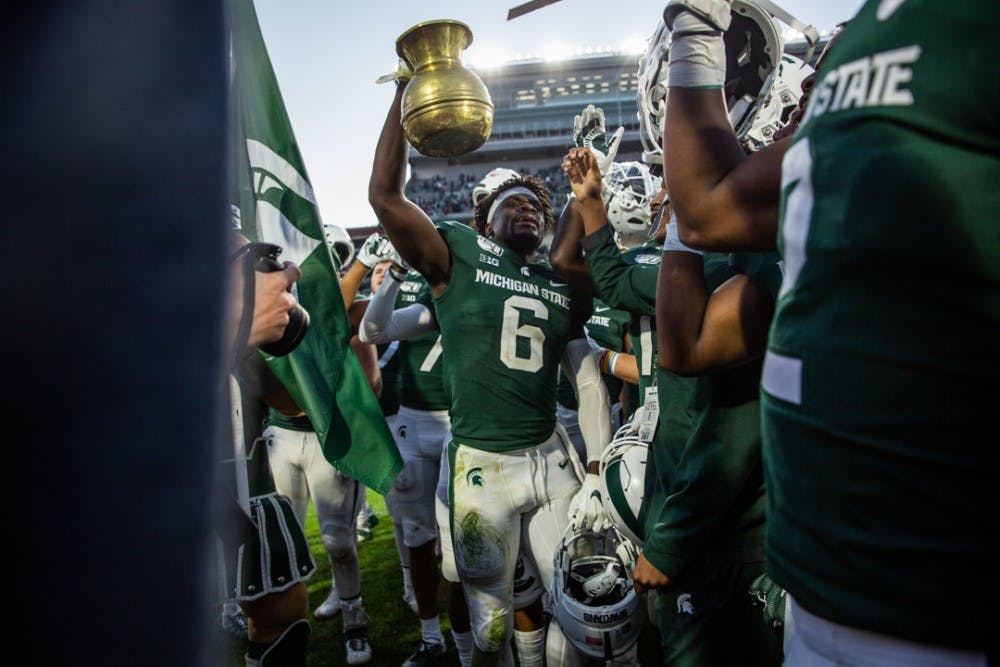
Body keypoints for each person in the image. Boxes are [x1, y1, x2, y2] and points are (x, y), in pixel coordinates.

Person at [660, 0, 998, 663]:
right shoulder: (872, 35)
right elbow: (704, 206)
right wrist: (695, 27)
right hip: (815, 586)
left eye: (817, 82)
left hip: (947, 607)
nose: (799, 100)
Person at [369, 78, 613, 667]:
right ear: (484, 221)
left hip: (552, 458)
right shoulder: (459, 260)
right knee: (493, 625)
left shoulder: (557, 283)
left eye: (535, 204)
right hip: (483, 467)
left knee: (584, 603)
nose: (528, 207)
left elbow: (585, 379)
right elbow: (384, 196)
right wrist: (404, 96)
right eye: (514, 203)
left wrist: (600, 467)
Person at [223, 231, 317, 667]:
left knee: (282, 616)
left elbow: (295, 404)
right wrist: (233, 328)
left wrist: (268, 338)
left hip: (245, 484)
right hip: (152, 497)